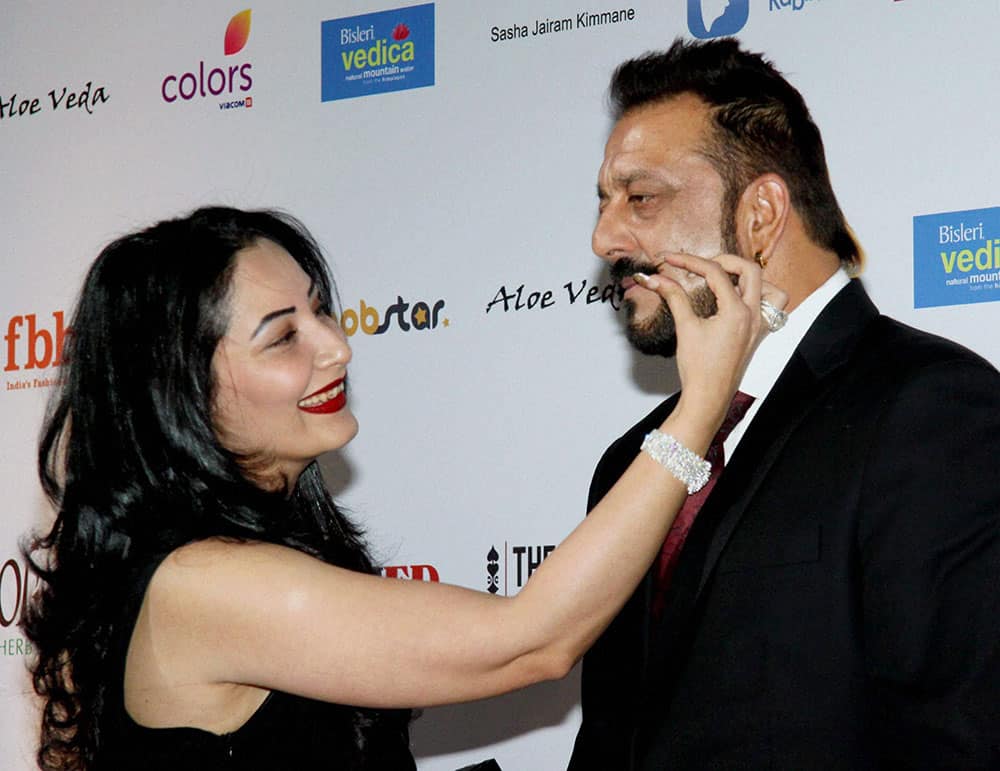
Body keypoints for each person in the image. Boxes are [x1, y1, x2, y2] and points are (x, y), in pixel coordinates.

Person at [21, 205, 779, 770]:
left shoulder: (230, 561)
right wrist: (702, 405)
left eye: (320, 308)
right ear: (179, 390)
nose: (338, 346)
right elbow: (534, 640)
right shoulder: (207, 583)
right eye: (283, 336)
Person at [568, 38, 1000, 770]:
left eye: (641, 197)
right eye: (605, 202)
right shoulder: (631, 462)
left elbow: (961, 738)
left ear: (762, 213)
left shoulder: (929, 411)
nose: (605, 237)